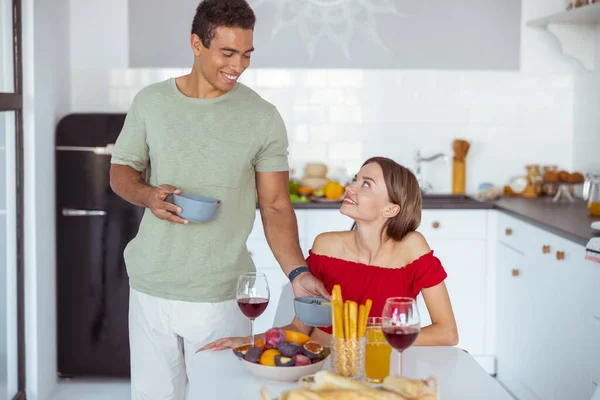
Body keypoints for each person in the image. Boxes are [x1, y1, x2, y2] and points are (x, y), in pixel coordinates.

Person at [109, 0, 328, 398]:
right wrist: (148, 195)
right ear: (197, 44)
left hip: (222, 295)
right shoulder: (151, 102)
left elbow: (276, 205)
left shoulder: (262, 117)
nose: (239, 65)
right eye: (228, 53)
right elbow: (121, 171)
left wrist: (298, 275)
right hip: (150, 287)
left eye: (246, 54)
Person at [201, 157, 458, 351]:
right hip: (319, 361)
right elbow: (299, 328)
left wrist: (368, 339)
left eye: (365, 184)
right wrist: (249, 341)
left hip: (381, 363)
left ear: (391, 209)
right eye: (355, 179)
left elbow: (447, 333)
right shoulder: (325, 246)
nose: (350, 188)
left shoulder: (412, 247)